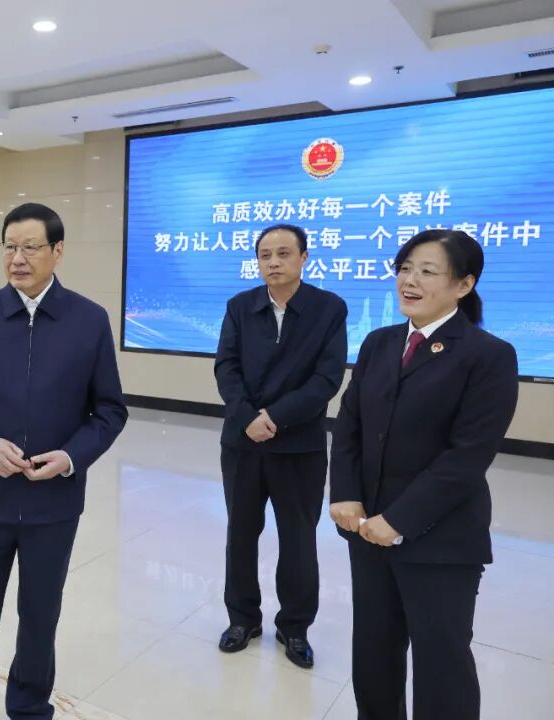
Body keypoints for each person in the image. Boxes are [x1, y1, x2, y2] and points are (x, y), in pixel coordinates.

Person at [0, 202, 127, 720]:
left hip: (53, 503)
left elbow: (110, 410)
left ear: (57, 251)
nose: (17, 258)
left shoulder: (89, 320)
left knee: (40, 617)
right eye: (10, 247)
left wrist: (71, 457)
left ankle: (29, 708)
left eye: (31, 247)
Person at [329, 229, 518, 720]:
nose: (410, 280)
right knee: (374, 654)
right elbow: (349, 424)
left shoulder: (489, 355)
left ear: (464, 285)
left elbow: (467, 457)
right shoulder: (379, 343)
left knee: (441, 663)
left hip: (440, 540)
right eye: (405, 269)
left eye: (427, 271)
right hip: (367, 530)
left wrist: (399, 520)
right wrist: (345, 493)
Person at [214, 223, 347, 669]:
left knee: (298, 540)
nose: (273, 262)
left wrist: (275, 417)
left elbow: (327, 378)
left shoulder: (329, 308)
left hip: (299, 447)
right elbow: (226, 368)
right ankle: (242, 619)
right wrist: (248, 418)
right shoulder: (240, 306)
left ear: (304, 257)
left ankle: (294, 627)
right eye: (265, 255)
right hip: (242, 443)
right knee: (240, 534)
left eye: (284, 253)